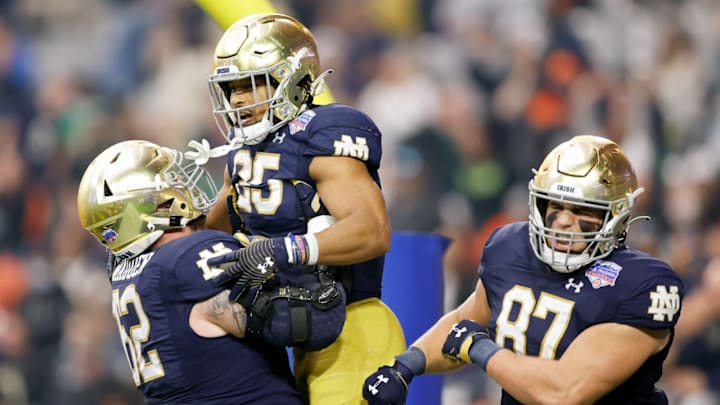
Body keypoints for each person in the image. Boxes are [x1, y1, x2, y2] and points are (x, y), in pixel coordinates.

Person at [363, 135, 685, 404]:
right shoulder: (511, 247)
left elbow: (565, 392)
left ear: (617, 217)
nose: (561, 222)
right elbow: (466, 321)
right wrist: (405, 366)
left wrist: (481, 349)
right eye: (554, 206)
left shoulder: (643, 284)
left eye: (582, 210)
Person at [192, 12, 406, 404]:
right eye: (230, 88)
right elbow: (211, 234)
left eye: (249, 85)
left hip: (355, 329)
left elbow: (373, 230)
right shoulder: (246, 155)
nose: (237, 99)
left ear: (293, 81)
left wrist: (283, 249)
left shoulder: (322, 134)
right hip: (300, 337)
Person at [76, 140, 303, 404]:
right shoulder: (188, 256)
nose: (182, 185)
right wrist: (295, 251)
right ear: (153, 207)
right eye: (169, 181)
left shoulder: (128, 273)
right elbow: (304, 320)